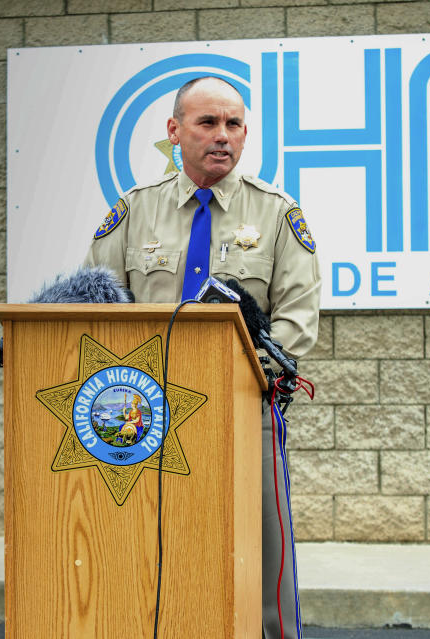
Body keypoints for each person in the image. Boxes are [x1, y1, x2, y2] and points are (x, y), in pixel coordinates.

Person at [84, 76, 321, 639]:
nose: (223, 136)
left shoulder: (277, 214)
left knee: (266, 542)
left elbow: (297, 318)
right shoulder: (133, 212)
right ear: (174, 131)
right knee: (148, 539)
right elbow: (96, 305)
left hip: (243, 408)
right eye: (207, 123)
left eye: (233, 124)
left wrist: (240, 373)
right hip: (143, 414)